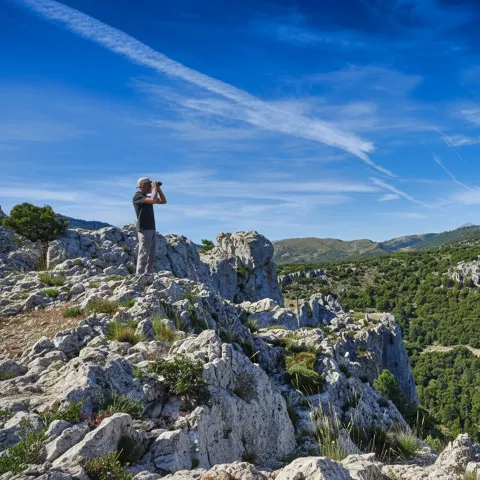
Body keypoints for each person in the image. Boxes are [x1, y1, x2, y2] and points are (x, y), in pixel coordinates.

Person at [132, 177, 167, 275]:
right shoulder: (137, 196)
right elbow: (153, 199)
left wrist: (158, 189)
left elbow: (164, 201)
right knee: (144, 252)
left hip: (151, 227)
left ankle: (148, 274)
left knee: (152, 254)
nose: (150, 187)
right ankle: (139, 275)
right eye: (148, 185)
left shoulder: (147, 197)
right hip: (144, 227)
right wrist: (155, 188)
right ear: (141, 186)